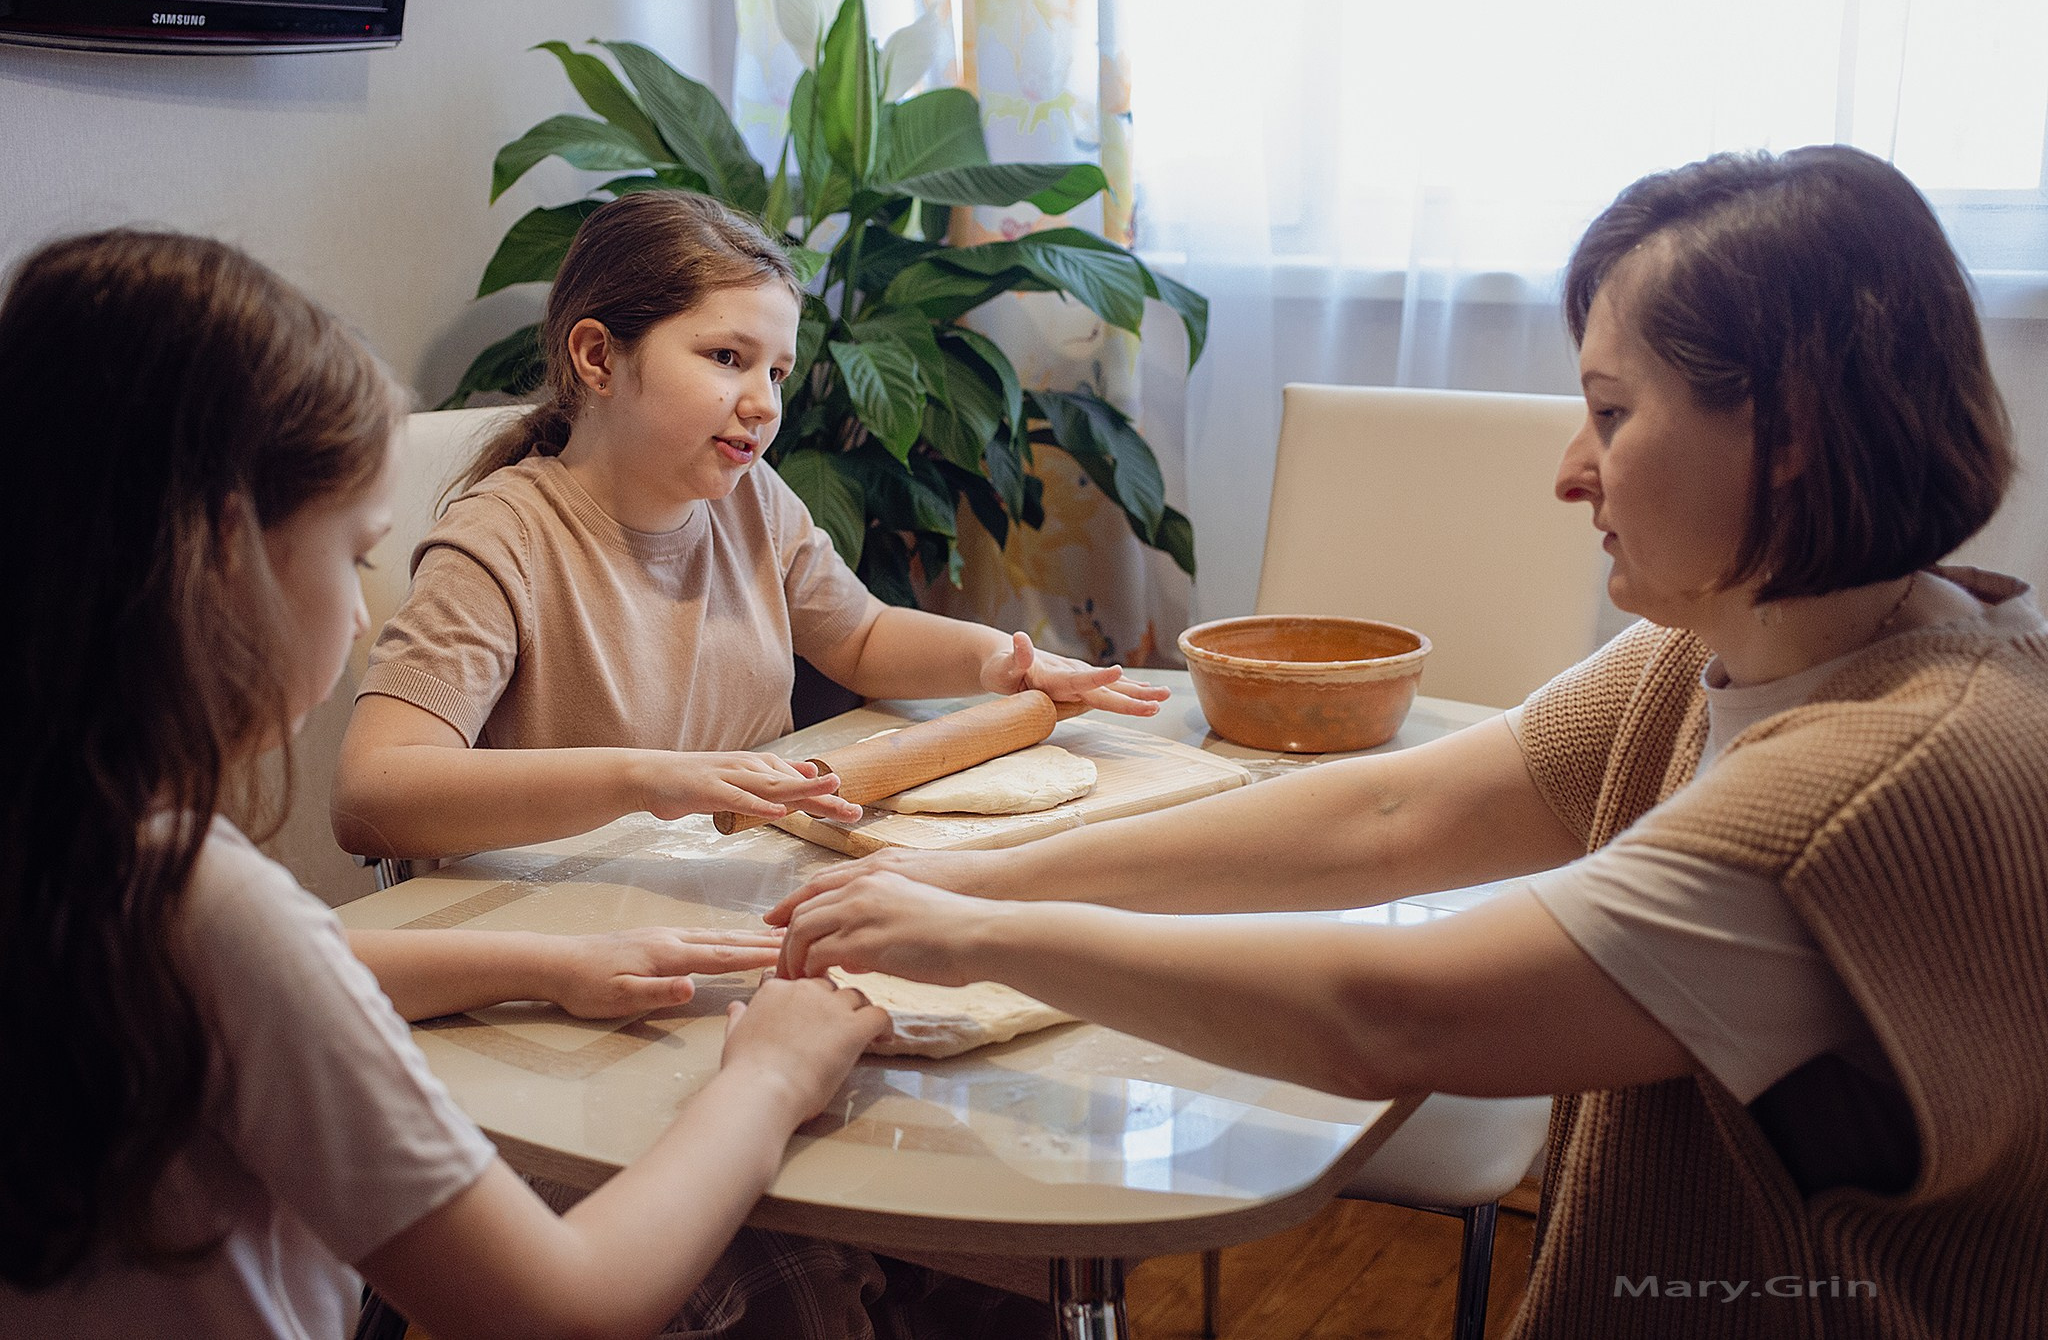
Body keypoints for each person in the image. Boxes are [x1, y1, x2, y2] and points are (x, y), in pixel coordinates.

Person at [770, 145, 2048, 1338]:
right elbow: (1388, 817)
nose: (1568, 468)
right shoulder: (1722, 649)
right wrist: (981, 872)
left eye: (1610, 412)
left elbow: (1384, 1019)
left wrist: (981, 935)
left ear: (1792, 433)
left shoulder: (1869, 780)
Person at [0, 229, 895, 1339]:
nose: (366, 610)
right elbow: (563, 1307)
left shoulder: (83, 863)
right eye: (352, 550)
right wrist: (767, 1078)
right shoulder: (201, 904)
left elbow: (302, 964)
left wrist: (548, 965)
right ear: (227, 556)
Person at [330, 189, 1165, 864]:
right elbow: (371, 795)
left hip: (746, 877)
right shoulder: (500, 543)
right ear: (597, 358)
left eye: (777, 369)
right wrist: (649, 780)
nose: (764, 403)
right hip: (572, 919)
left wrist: (998, 662)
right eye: (726, 358)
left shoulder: (750, 496)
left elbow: (863, 638)